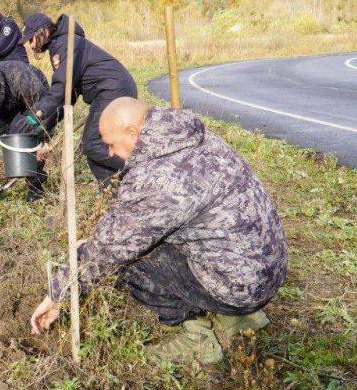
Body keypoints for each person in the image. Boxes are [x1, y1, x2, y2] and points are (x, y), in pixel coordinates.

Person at [30, 98, 287, 364]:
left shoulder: (158, 177)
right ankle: (241, 318)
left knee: (132, 262)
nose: (109, 153)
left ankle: (196, 339)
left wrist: (57, 294)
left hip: (240, 287)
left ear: (133, 133)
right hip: (266, 269)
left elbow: (109, 250)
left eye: (111, 144)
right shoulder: (192, 137)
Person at [20, 13, 137, 184]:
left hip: (112, 90)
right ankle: (111, 194)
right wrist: (45, 127)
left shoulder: (66, 44)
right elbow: (69, 95)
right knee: (94, 153)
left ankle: (141, 169)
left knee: (92, 143)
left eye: (31, 39)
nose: (31, 46)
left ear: (42, 32)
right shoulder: (59, 44)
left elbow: (61, 86)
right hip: (111, 90)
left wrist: (39, 111)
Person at [0, 57, 57, 201]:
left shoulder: (20, 77)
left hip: (32, 104)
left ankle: (35, 186)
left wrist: (44, 140)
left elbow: (45, 108)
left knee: (26, 135)